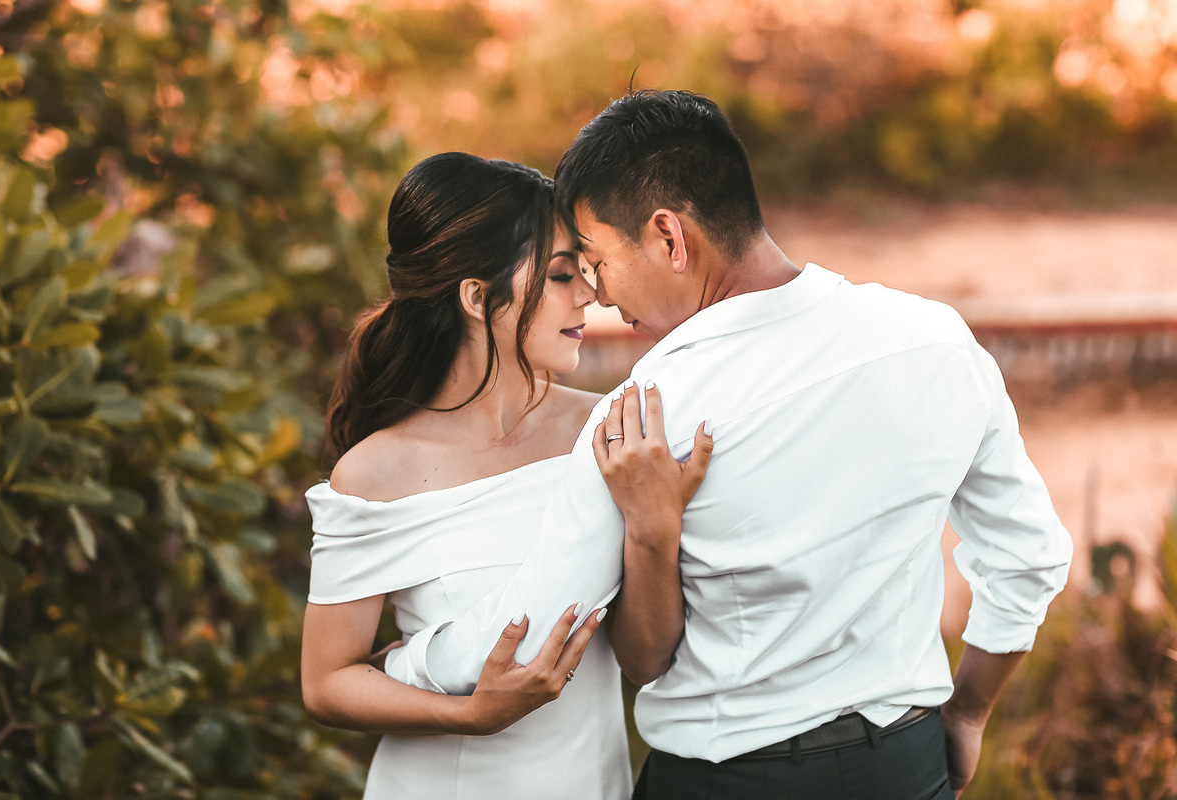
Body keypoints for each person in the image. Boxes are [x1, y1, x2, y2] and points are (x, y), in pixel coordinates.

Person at [384, 91, 1074, 799]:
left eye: (597, 261)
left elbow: (534, 631)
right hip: (905, 767)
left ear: (669, 238)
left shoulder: (648, 415)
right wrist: (966, 714)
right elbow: (1029, 557)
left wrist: (407, 665)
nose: (601, 295)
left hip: (730, 783)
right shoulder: (934, 339)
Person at [300, 152, 710, 799]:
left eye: (583, 271)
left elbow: (645, 657)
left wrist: (656, 528)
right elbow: (326, 682)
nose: (591, 294)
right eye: (559, 275)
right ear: (476, 295)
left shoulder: (606, 431)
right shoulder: (375, 471)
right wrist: (470, 715)